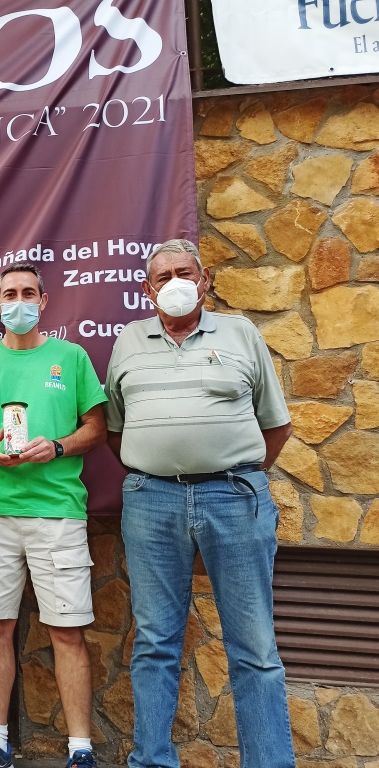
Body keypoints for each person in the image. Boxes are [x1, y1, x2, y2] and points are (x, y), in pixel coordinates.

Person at [103, 239, 295, 768]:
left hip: (233, 498)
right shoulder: (128, 340)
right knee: (154, 642)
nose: (175, 283)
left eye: (184, 273)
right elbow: (115, 429)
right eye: (162, 277)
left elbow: (276, 426)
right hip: (151, 500)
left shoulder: (241, 333)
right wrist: (158, 465)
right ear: (147, 290)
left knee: (254, 647)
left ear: (205, 279)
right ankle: (152, 760)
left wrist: (235, 473)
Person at [0, 264, 107, 768]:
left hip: (57, 511)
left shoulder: (72, 356)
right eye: (9, 294)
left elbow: (97, 427)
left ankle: (80, 750)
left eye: (27, 293)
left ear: (43, 301)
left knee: (67, 631)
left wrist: (58, 446)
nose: (18, 302)